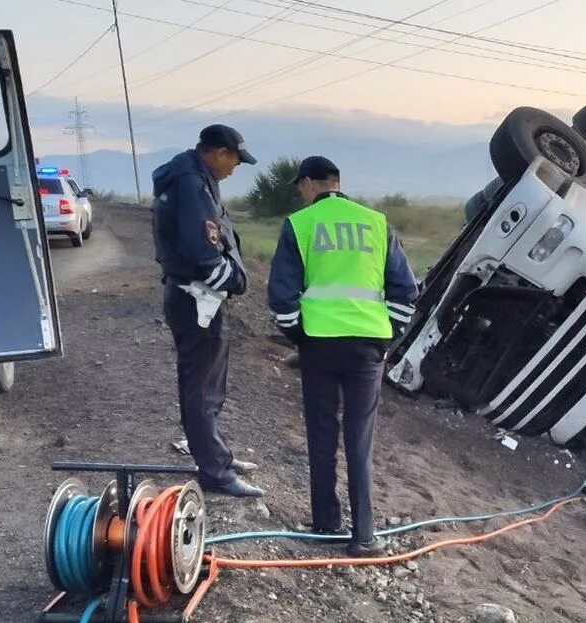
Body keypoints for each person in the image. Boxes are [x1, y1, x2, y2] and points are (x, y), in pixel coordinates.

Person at [267, 156, 419, 556]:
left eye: (300, 187)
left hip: (318, 344)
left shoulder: (299, 225)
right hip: (368, 346)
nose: (300, 194)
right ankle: (364, 536)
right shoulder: (376, 222)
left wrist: (298, 334)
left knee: (321, 435)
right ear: (337, 182)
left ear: (310, 184)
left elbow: (281, 296)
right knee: (359, 439)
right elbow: (405, 291)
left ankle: (325, 525)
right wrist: (388, 337)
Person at [152, 123, 263, 497]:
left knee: (210, 385)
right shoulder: (191, 184)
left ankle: (217, 456)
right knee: (200, 387)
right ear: (218, 153)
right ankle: (215, 472)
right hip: (196, 296)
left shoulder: (194, 177)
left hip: (200, 297)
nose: (234, 169)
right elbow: (203, 253)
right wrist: (235, 279)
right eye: (234, 161)